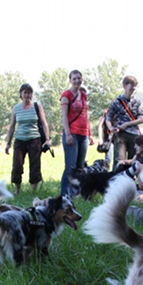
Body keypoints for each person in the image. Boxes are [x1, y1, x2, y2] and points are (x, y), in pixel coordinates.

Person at [4, 83, 51, 195]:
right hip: (19, 140)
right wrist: (8, 143)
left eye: (29, 93)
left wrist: (47, 139)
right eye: (25, 92)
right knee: (17, 165)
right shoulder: (16, 108)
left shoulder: (37, 106)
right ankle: (17, 190)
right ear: (21, 94)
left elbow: (44, 123)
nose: (27, 95)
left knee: (35, 165)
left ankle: (33, 190)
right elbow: (12, 126)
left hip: (35, 140)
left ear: (32, 94)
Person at [60, 69, 93, 197]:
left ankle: (75, 193)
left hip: (83, 134)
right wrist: (68, 134)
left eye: (79, 78)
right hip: (72, 133)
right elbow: (64, 116)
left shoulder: (83, 95)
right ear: (70, 80)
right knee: (71, 167)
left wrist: (89, 134)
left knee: (80, 167)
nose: (77, 80)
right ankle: (65, 194)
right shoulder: (66, 95)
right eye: (74, 78)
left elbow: (86, 116)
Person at [107, 75, 143, 170]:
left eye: (135, 85)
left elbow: (141, 118)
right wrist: (111, 128)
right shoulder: (117, 101)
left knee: (134, 160)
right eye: (131, 85)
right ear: (125, 85)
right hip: (120, 135)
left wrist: (127, 124)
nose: (133, 88)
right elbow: (108, 118)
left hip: (134, 135)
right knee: (119, 161)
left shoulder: (137, 101)